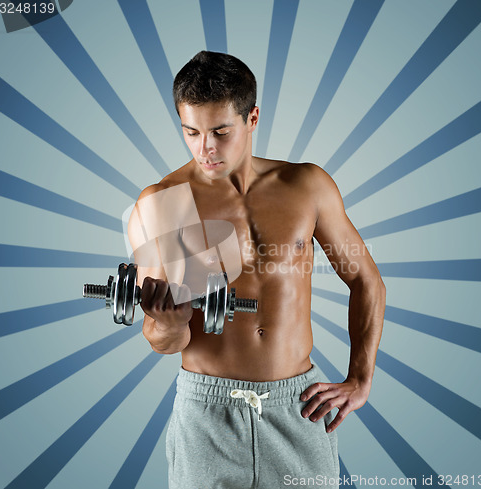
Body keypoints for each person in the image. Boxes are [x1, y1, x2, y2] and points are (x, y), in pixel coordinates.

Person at [128, 51, 386, 489]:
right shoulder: (164, 203)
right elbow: (164, 340)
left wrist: (360, 379)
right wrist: (166, 323)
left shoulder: (306, 186)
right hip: (208, 416)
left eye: (220, 132)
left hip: (299, 407)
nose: (204, 148)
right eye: (191, 131)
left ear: (252, 117)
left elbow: (365, 279)